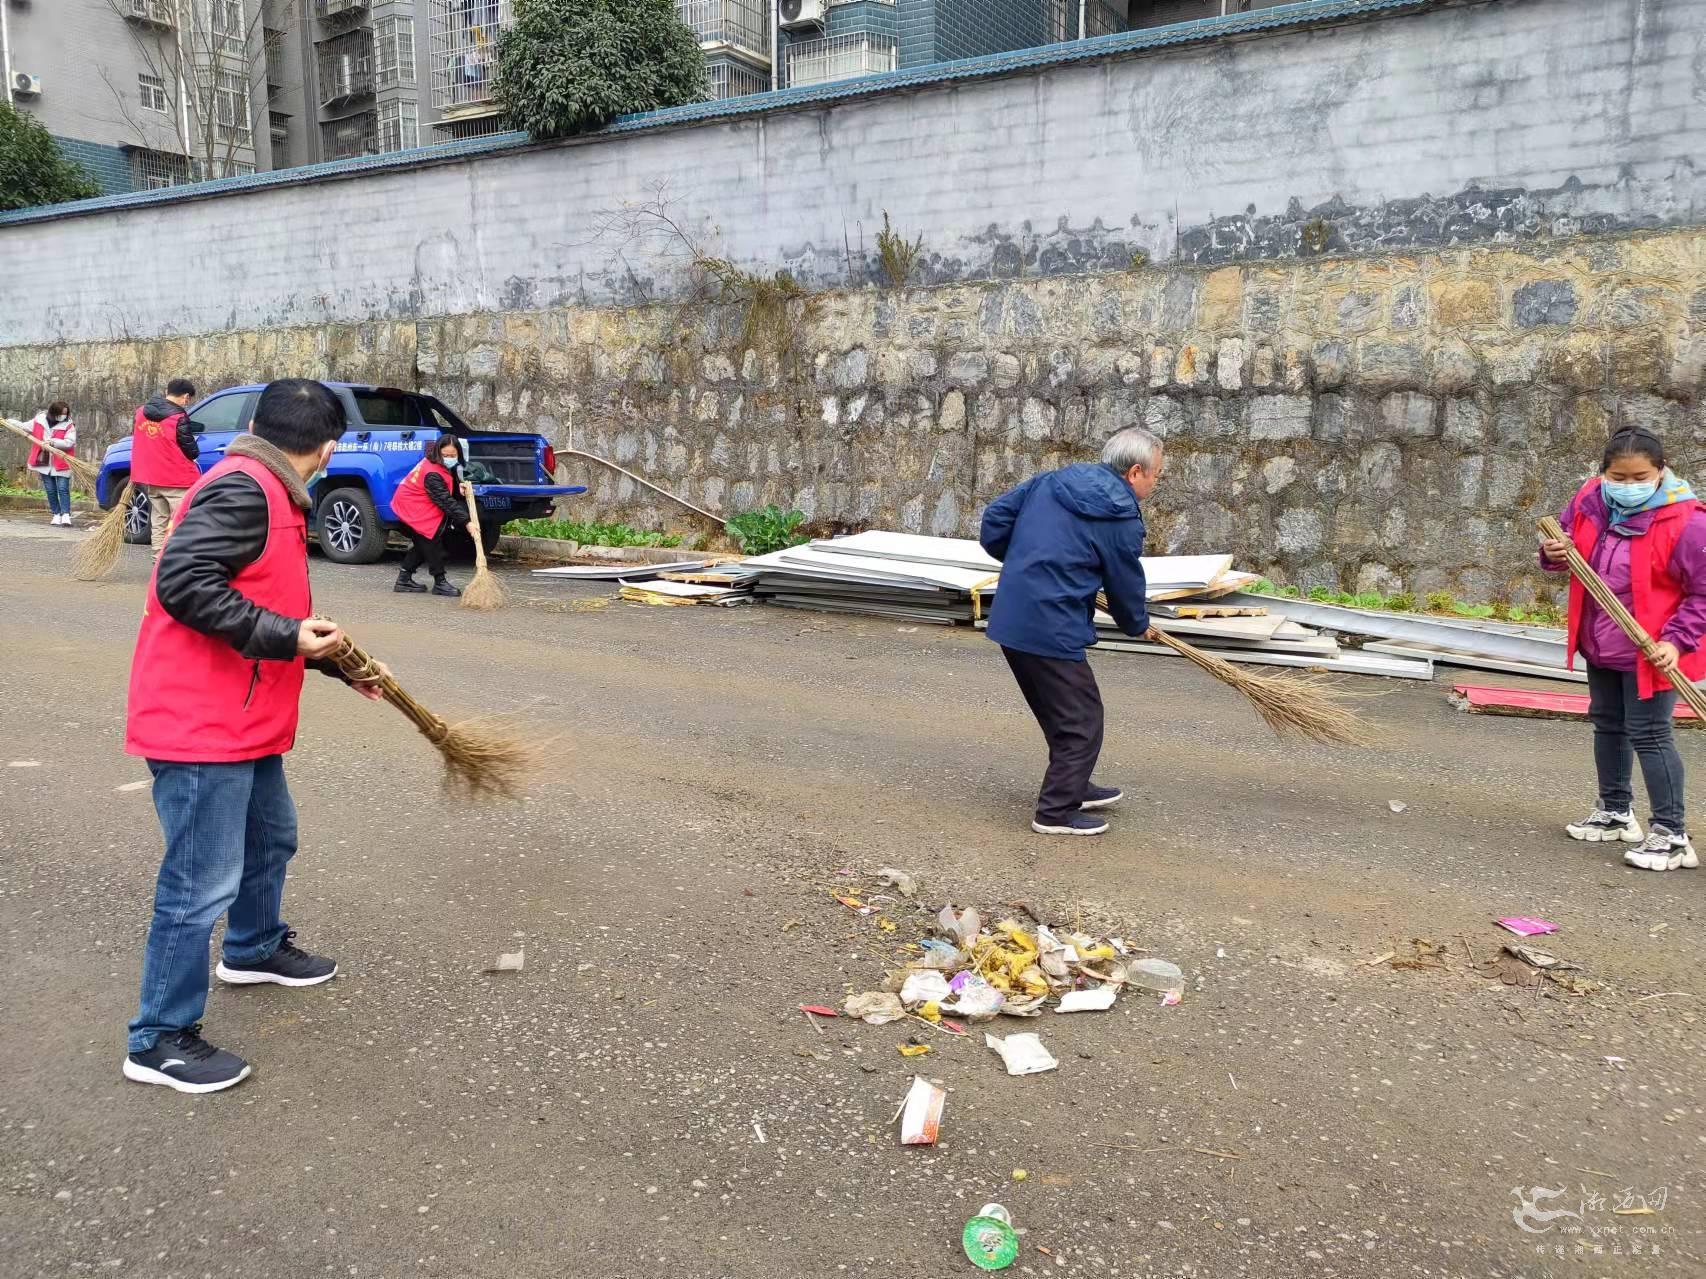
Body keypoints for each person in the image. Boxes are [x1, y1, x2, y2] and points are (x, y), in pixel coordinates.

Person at [123, 379, 389, 1094]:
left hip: (242, 717)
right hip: (200, 722)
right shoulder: (244, 490)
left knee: (270, 837)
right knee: (198, 881)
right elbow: (183, 582)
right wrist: (287, 634)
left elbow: (269, 603)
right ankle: (158, 1038)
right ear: (328, 448)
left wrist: (336, 662)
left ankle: (253, 946)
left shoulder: (268, 489)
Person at [979, 427, 1160, 837]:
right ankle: (1056, 812)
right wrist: (1139, 625)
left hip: (1013, 614)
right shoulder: (1122, 517)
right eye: (1156, 475)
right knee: (1082, 718)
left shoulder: (1053, 480)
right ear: (1134, 472)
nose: (1155, 483)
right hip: (1050, 625)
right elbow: (1123, 583)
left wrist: (1026, 562)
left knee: (1060, 712)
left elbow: (995, 520)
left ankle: (1074, 785)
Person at [1540, 427, 1706, 873]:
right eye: (1619, 475)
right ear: (1603, 472)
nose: (1628, 485)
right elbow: (1564, 548)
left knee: (1650, 734)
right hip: (1602, 638)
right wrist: (1554, 552)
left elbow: (1703, 593)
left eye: (1640, 477)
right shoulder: (1590, 502)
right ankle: (1616, 811)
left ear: (1660, 471)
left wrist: (1676, 641)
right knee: (1608, 724)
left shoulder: (1688, 521)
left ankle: (1671, 834)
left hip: (1653, 648)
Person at [390, 433, 468, 597]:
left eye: (453, 455)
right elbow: (446, 500)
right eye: (445, 455)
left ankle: (403, 579)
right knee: (431, 543)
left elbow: (447, 486)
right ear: (439, 453)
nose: (449, 458)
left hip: (417, 504)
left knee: (423, 544)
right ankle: (440, 582)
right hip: (412, 508)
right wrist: (467, 522)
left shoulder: (439, 464)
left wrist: (459, 489)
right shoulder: (432, 471)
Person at [129, 377, 201, 553]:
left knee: (159, 522)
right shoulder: (178, 417)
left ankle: (157, 562)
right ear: (185, 396)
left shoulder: (140, 413)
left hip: (153, 478)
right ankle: (178, 564)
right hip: (177, 480)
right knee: (183, 523)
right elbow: (191, 450)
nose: (186, 402)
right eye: (188, 399)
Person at [27, 400, 76, 526]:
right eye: (61, 413)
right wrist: (6, 421)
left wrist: (53, 442)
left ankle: (65, 514)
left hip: (62, 461)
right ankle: (56, 514)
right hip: (44, 461)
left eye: (66, 413)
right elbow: (23, 426)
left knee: (63, 488)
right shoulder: (39, 420)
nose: (64, 416)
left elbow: (70, 442)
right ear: (54, 412)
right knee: (50, 489)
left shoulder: (68, 425)